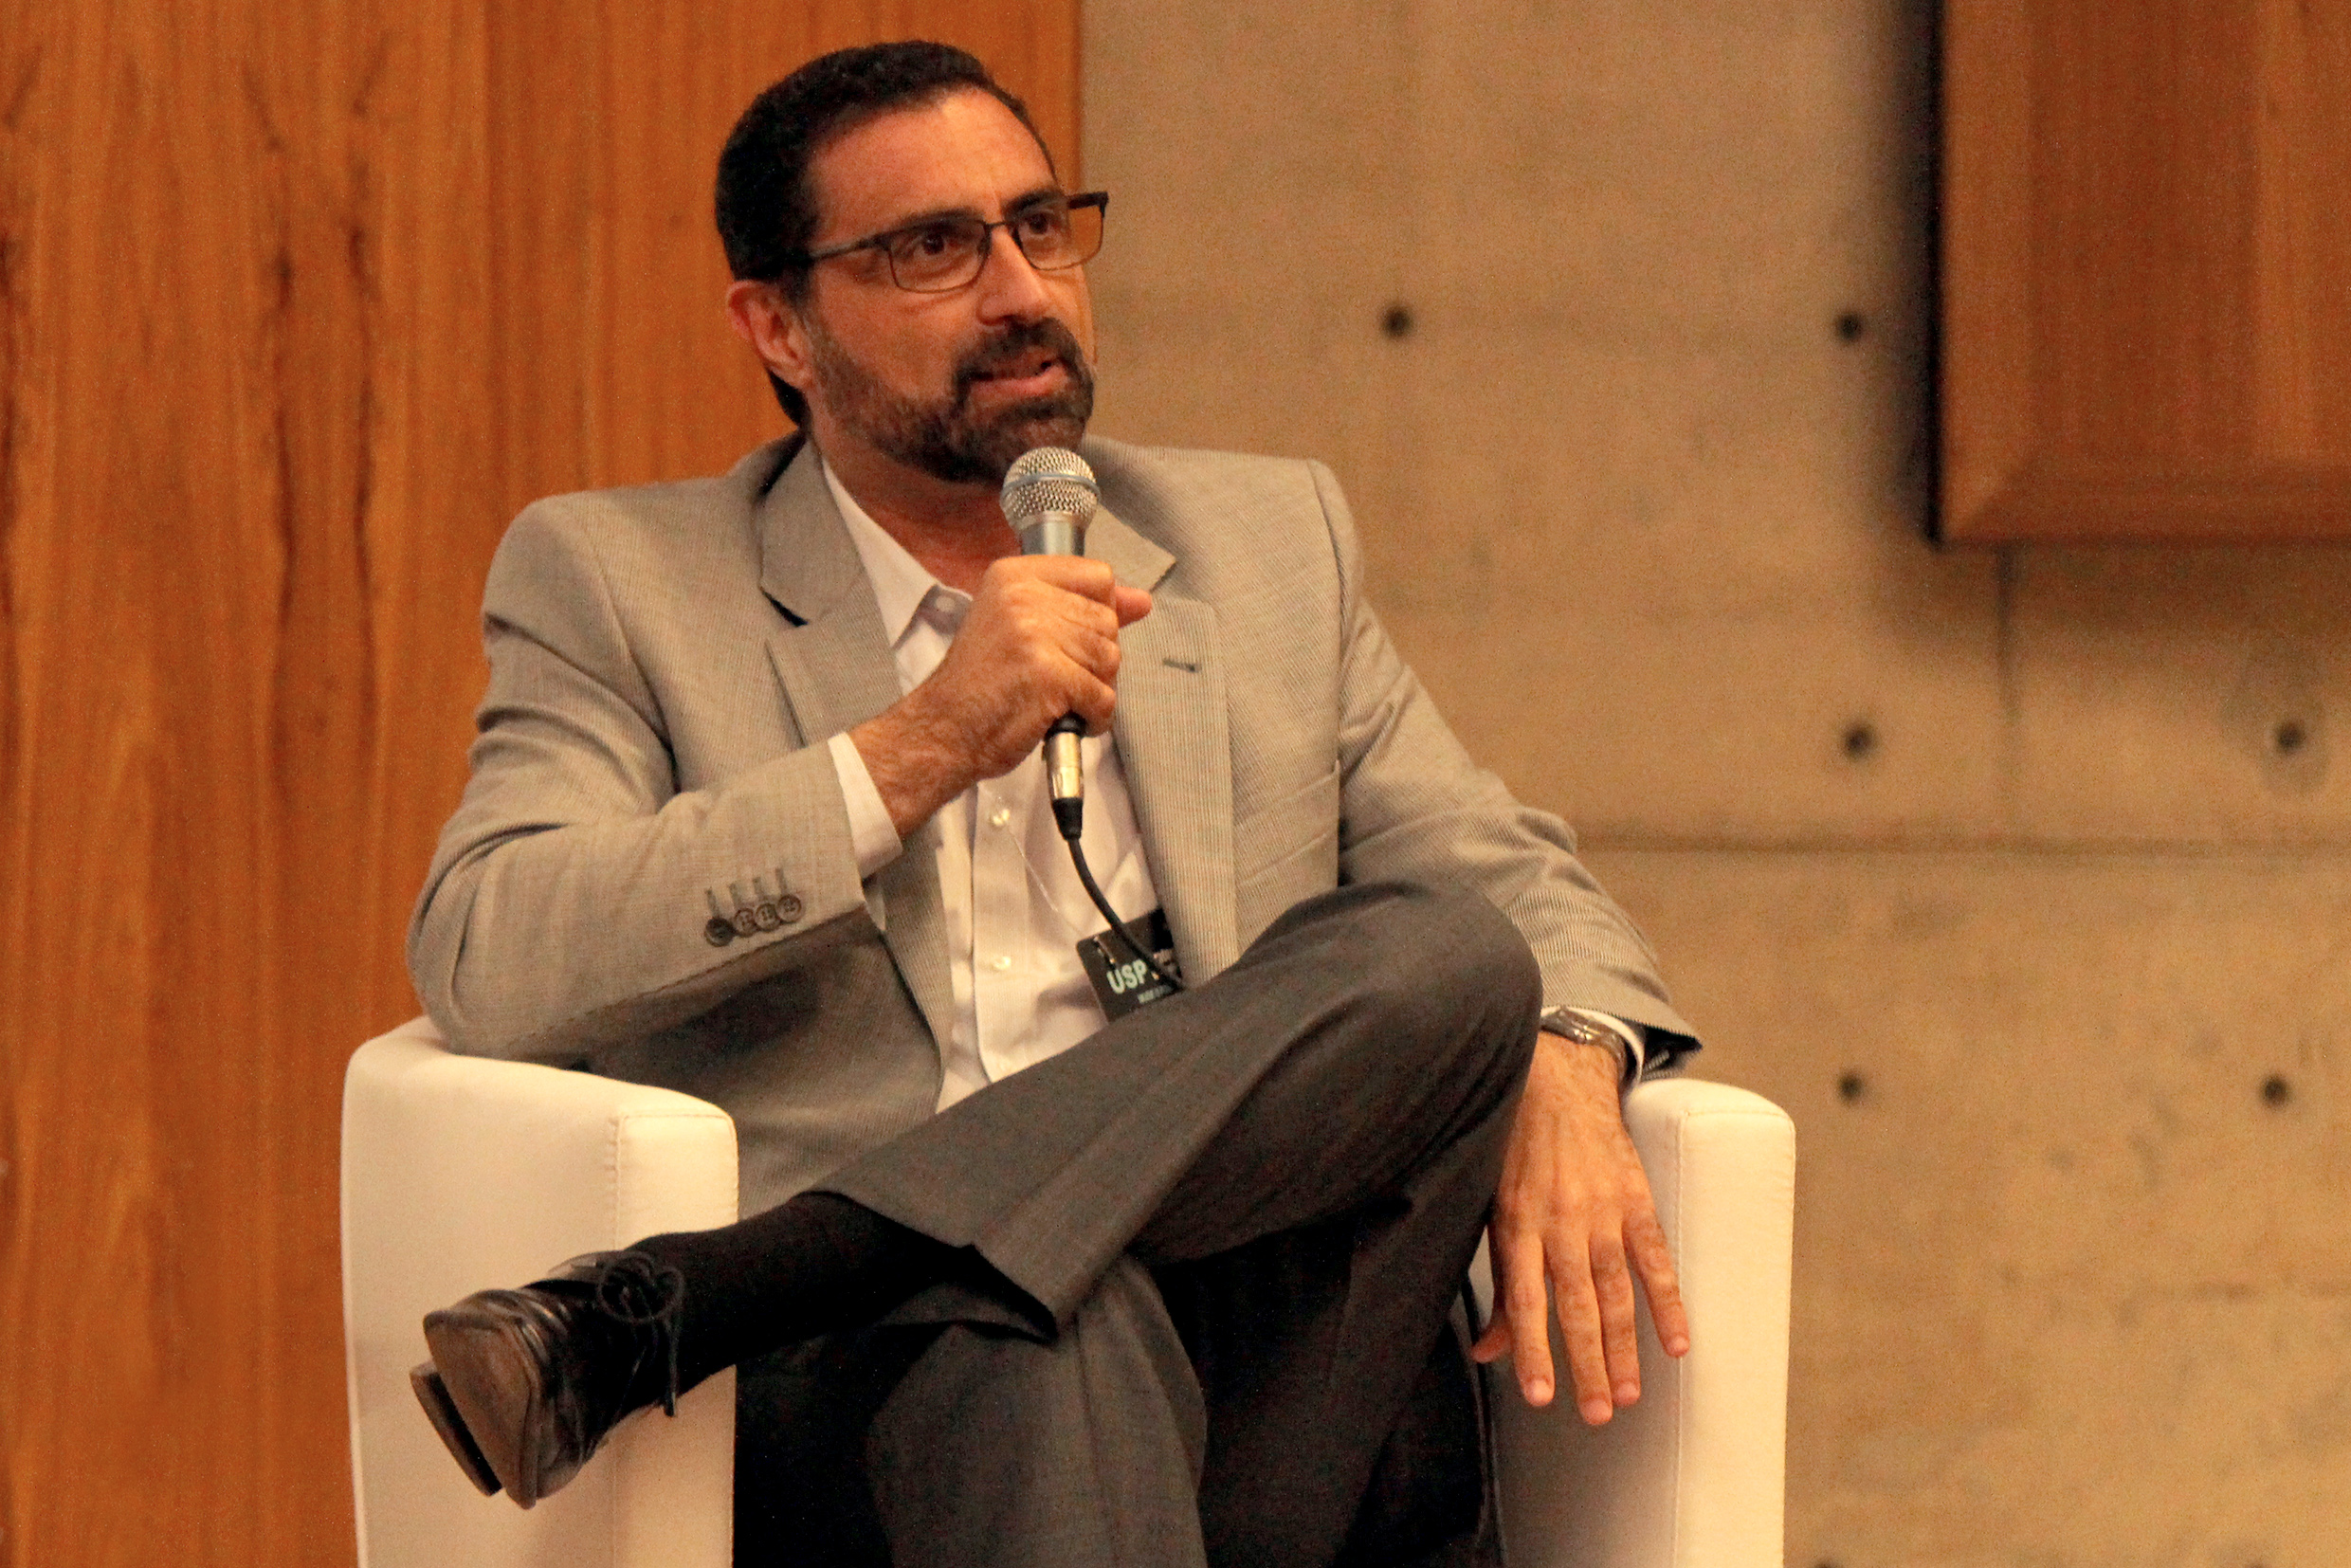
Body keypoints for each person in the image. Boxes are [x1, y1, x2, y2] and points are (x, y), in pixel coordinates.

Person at [406, 40, 1700, 1568]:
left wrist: (1570, 1053)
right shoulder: (623, 582)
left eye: (1039, 225)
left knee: (1452, 953)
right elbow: (489, 946)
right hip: (885, 1406)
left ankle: (715, 1291)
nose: (1021, 290)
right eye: (932, 248)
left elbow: (1511, 880)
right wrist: (915, 749)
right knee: (1032, 1324)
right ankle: (852, 1280)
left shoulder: (1264, 541)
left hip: (1269, 1373)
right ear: (780, 326)